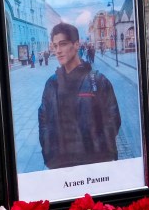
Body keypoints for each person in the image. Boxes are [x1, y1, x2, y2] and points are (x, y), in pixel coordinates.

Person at [38, 23, 121, 170]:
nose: (58, 51)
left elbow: (113, 121)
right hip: (60, 165)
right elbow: (43, 121)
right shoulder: (51, 84)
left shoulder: (98, 81)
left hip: (93, 165)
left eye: (62, 44)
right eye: (55, 46)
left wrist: (97, 152)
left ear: (76, 45)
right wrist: (49, 153)